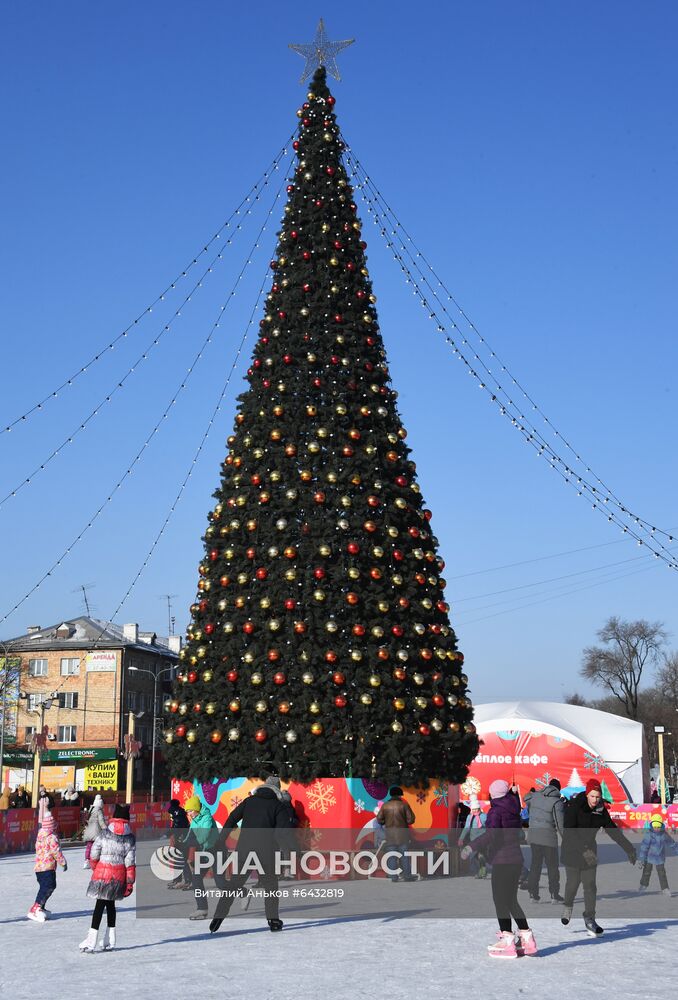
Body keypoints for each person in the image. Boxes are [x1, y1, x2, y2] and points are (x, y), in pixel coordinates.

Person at [461, 779, 537, 958]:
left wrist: (471, 846)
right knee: (511, 900)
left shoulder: (496, 811)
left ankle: (507, 940)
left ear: (493, 795)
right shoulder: (514, 808)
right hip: (516, 859)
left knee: (500, 901)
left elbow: (491, 834)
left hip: (502, 861)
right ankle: (527, 939)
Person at [209, 778, 296, 934]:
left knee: (234, 884)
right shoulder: (278, 806)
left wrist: (220, 840)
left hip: (245, 850)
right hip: (267, 852)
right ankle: (273, 920)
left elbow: (232, 818)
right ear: (276, 790)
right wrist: (295, 850)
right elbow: (285, 832)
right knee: (270, 886)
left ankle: (218, 916)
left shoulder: (249, 801)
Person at [561, 778, 636, 936]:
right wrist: (583, 850)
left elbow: (612, 829)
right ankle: (568, 905)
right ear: (587, 794)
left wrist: (629, 848)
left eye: (598, 796)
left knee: (590, 886)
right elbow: (568, 833)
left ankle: (590, 919)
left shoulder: (601, 809)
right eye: (593, 796)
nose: (595, 800)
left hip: (590, 851)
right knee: (573, 884)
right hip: (572, 851)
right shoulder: (574, 806)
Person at [79, 803, 136, 952]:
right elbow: (130, 863)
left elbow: (94, 853)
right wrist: (129, 883)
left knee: (99, 906)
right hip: (118, 877)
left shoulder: (105, 833)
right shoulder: (130, 838)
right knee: (111, 906)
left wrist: (95, 866)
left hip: (102, 875)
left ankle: (91, 941)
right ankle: (110, 940)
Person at [525, 778, 565, 902]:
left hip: (534, 836)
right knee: (552, 866)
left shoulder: (535, 796)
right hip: (548, 838)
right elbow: (559, 823)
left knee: (535, 865)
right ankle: (554, 894)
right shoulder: (556, 801)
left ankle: (533, 894)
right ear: (558, 789)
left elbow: (526, 798)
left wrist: (532, 792)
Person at [27, 812, 68, 921]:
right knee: (48, 886)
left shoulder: (40, 835)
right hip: (47, 867)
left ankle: (41, 907)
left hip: (39, 868)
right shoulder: (52, 837)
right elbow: (56, 852)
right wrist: (63, 862)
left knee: (45, 887)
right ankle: (35, 908)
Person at [183, 794, 217, 919]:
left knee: (221, 883)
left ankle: (243, 892)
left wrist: (191, 843)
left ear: (197, 808)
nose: (190, 814)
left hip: (216, 851)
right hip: (204, 852)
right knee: (196, 879)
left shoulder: (207, 818)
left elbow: (203, 836)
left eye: (191, 810)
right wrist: (182, 845)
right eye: (188, 812)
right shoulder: (195, 820)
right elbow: (189, 837)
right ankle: (202, 909)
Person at [376, 786, 417, 882]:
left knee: (391, 856)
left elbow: (379, 819)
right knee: (404, 856)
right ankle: (407, 876)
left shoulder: (385, 806)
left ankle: (392, 876)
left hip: (390, 835)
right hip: (403, 835)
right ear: (399, 795)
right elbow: (411, 819)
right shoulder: (404, 805)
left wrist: (385, 822)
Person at [638, 813, 675, 895]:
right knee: (646, 872)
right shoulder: (649, 834)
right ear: (652, 825)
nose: (657, 829)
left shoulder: (664, 834)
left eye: (658, 827)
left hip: (660, 858)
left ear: (661, 825)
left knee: (662, 873)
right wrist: (641, 859)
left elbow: (671, 843)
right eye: (655, 827)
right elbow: (644, 847)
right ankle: (643, 885)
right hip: (649, 857)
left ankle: (665, 888)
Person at [458, 796, 489, 878]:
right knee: (476, 857)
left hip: (483, 839)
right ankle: (481, 871)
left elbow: (490, 826)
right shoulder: (469, 817)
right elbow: (466, 828)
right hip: (474, 840)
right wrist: (461, 838)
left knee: (480, 855)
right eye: (473, 809)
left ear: (479, 808)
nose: (475, 811)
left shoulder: (484, 816)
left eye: (476, 809)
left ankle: (482, 872)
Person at [166, 798, 192, 889]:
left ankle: (187, 880)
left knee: (182, 860)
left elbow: (178, 827)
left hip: (181, 840)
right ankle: (178, 880)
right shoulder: (178, 813)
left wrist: (173, 834)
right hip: (179, 838)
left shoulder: (177, 814)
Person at [82, 793, 107, 869]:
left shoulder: (91, 809)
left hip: (88, 831)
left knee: (89, 846)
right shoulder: (98, 810)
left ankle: (87, 860)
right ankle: (95, 861)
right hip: (96, 832)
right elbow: (101, 822)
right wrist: (106, 829)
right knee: (97, 847)